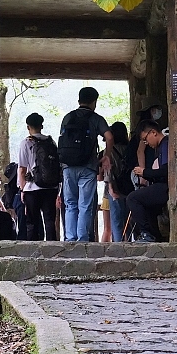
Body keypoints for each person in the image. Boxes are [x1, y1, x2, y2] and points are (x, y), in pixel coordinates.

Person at [58, 87, 114, 242]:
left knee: (70, 204)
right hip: (88, 167)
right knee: (85, 205)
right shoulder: (96, 118)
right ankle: (82, 239)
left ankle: (70, 237)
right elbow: (109, 137)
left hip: (68, 167)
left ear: (79, 100)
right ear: (94, 102)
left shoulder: (68, 118)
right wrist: (106, 156)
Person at [17, 113, 60, 241]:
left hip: (32, 188)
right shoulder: (51, 142)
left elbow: (22, 168)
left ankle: (34, 249)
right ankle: (53, 247)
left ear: (28, 127)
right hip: (51, 186)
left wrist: (22, 189)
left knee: (32, 222)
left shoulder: (26, 143)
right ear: (41, 126)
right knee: (50, 220)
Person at [126, 119, 169, 243]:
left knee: (132, 198)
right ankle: (155, 236)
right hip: (162, 184)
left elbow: (166, 170)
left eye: (145, 139)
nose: (146, 143)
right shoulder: (160, 147)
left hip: (167, 186)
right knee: (146, 203)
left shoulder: (166, 144)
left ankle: (146, 233)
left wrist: (144, 172)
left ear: (153, 132)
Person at [105, 121, 131, 242]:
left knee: (116, 221)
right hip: (129, 188)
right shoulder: (130, 149)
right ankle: (130, 243)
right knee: (129, 220)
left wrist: (110, 187)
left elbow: (108, 170)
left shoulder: (110, 151)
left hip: (115, 188)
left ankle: (117, 245)